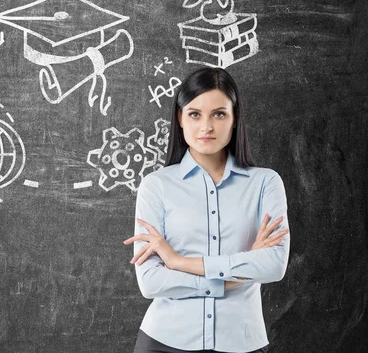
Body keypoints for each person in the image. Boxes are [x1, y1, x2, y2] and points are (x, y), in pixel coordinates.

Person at [124, 67, 290, 353]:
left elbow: (274, 265)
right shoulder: (156, 186)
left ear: (235, 118)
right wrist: (238, 272)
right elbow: (150, 282)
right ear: (179, 118)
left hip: (242, 342)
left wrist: (178, 262)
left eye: (219, 114)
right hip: (164, 341)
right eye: (194, 114)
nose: (206, 127)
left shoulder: (265, 183)